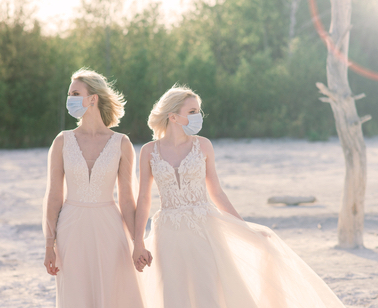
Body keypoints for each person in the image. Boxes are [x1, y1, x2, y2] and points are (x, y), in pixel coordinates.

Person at [132, 85, 346, 308]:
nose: (198, 117)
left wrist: (243, 228)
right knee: (174, 293)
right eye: (192, 111)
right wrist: (139, 242)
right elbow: (144, 199)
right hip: (168, 232)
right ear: (173, 116)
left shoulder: (203, 146)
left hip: (204, 228)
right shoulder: (149, 151)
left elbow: (216, 192)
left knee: (208, 292)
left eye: (199, 111)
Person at [42, 68, 144, 308]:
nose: (70, 99)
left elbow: (128, 200)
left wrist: (138, 242)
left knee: (113, 294)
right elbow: (54, 196)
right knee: (76, 296)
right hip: (70, 230)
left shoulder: (122, 143)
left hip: (109, 228)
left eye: (75, 93)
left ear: (93, 99)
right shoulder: (62, 141)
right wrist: (49, 245)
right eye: (69, 94)